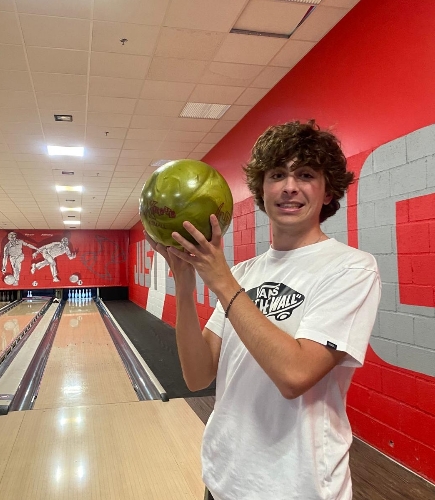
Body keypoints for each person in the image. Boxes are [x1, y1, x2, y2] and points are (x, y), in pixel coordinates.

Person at [145, 120, 381, 500]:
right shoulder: (243, 273)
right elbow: (197, 375)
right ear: (262, 190)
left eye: (306, 175)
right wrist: (184, 286)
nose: (289, 187)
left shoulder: (351, 269)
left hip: (296, 488)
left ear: (328, 191)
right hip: (223, 478)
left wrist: (222, 281)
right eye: (277, 175)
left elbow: (295, 375)